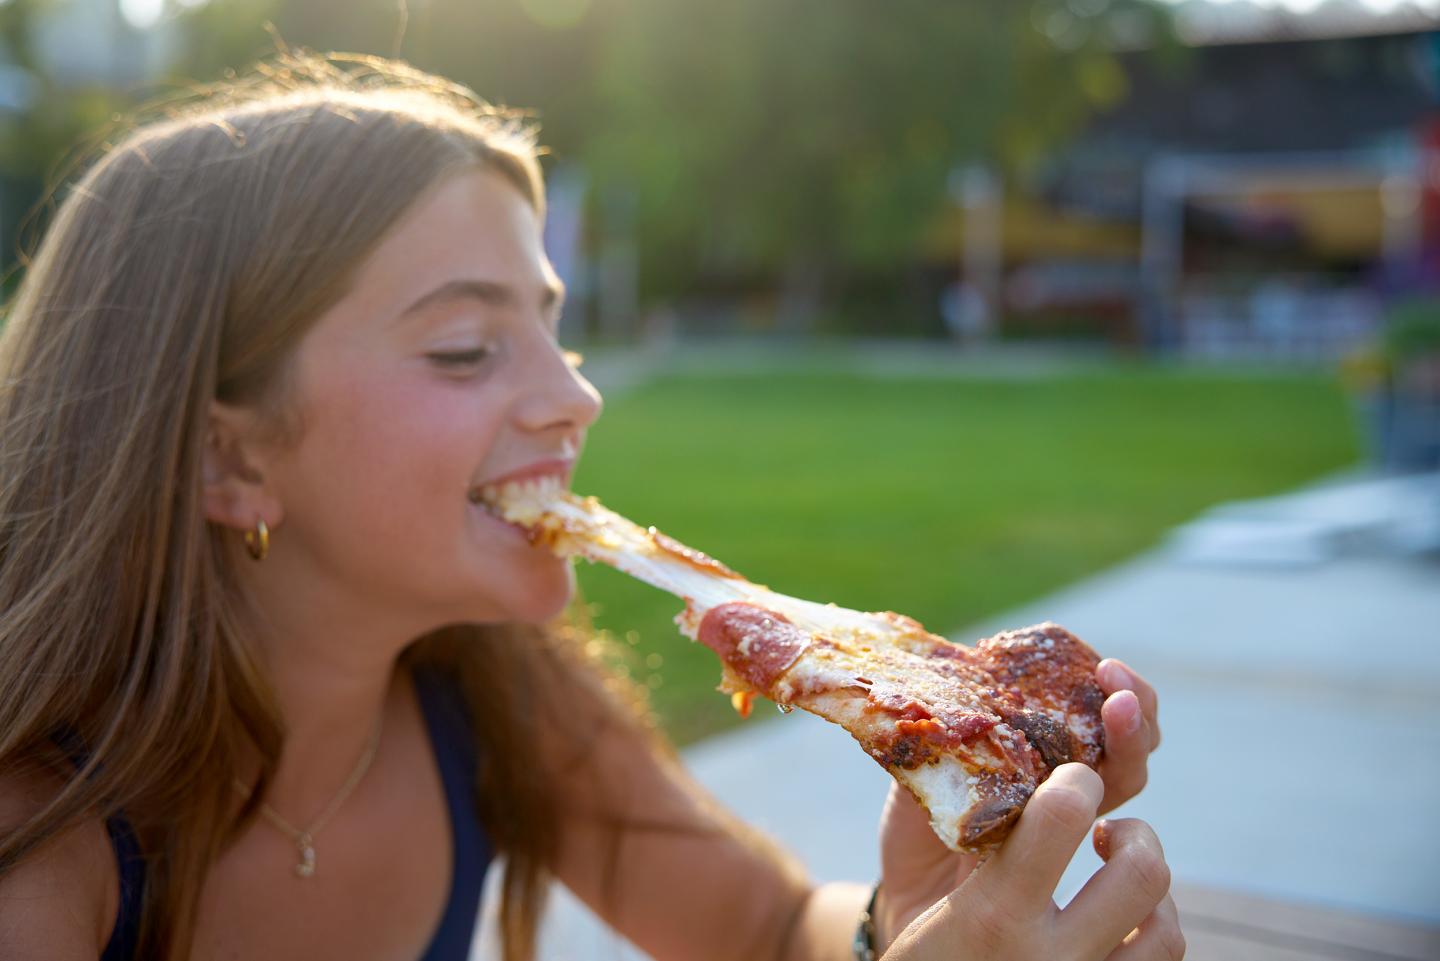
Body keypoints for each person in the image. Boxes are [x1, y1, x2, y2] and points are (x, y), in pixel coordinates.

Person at [0, 53, 1181, 961]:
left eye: (553, 330)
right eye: (467, 349)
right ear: (230, 462)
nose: (576, 394)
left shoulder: (499, 693)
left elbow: (766, 930)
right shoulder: (43, 851)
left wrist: (906, 915)